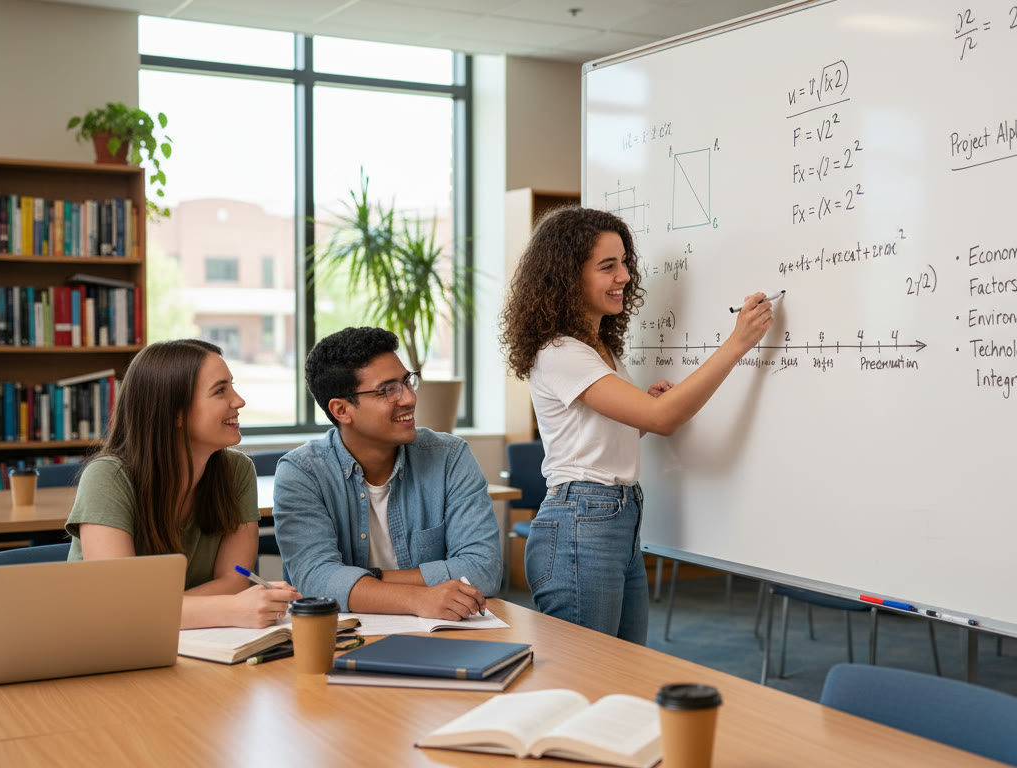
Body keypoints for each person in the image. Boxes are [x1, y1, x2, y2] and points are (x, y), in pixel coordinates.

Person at [498, 206, 773, 644]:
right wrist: (736, 344)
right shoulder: (560, 351)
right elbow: (663, 421)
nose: (624, 276)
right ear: (567, 278)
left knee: (622, 674)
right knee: (588, 681)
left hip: (612, 517)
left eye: (624, 262)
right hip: (581, 522)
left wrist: (640, 411)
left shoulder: (598, 348)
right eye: (608, 266)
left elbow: (605, 432)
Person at [66, 339, 301, 629]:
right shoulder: (108, 477)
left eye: (233, 386)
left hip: (193, 644)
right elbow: (121, 607)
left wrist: (159, 612)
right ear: (174, 413)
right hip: (106, 649)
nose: (238, 401)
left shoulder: (237, 470)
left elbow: (234, 580)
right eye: (220, 390)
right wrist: (228, 608)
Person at [273, 326, 501, 620]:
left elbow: (484, 570)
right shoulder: (302, 473)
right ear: (342, 410)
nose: (408, 398)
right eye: (388, 390)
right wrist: (418, 598)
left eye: (407, 381)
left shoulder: (449, 456)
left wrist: (365, 580)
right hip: (341, 639)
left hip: (441, 635)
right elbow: (316, 580)